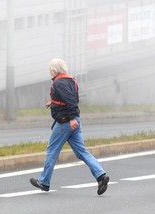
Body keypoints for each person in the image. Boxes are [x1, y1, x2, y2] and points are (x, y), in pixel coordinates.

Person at [30, 58, 109, 195]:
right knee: (81, 152)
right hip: (74, 121)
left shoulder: (59, 83)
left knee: (51, 151)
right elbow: (67, 98)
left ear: (54, 70)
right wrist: (53, 103)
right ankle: (101, 176)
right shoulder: (69, 80)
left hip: (65, 122)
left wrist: (71, 118)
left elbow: (71, 101)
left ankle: (44, 182)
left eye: (50, 69)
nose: (49, 71)